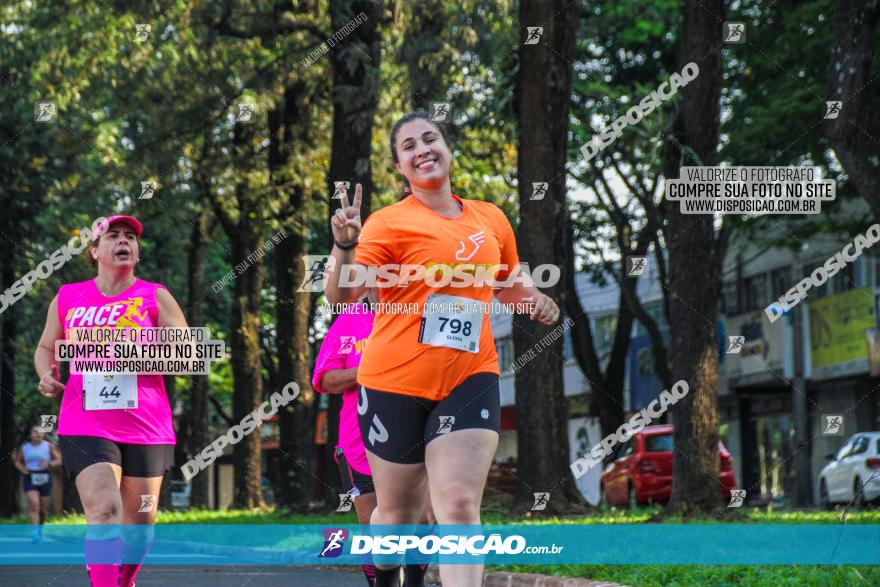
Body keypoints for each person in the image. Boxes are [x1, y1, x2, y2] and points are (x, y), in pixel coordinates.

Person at [324, 112, 560, 587]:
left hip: (470, 377)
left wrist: (536, 298)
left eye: (430, 139)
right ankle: (386, 575)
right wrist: (344, 245)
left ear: (448, 148)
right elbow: (342, 295)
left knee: (456, 503)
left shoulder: (491, 218)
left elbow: (507, 284)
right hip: (393, 383)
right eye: (409, 146)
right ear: (399, 166)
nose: (422, 149)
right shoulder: (387, 223)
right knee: (397, 515)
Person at [34, 215, 189, 587]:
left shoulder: (155, 295)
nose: (124, 241)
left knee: (141, 528)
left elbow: (186, 351)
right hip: (85, 421)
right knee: (104, 511)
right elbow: (45, 347)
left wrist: (132, 350)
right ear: (94, 251)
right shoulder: (69, 296)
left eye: (130, 237)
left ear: (136, 253)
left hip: (146, 425)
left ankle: (123, 579)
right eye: (114, 236)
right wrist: (46, 373)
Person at [312, 291, 433, 587]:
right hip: (361, 440)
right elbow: (325, 378)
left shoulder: (420, 309)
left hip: (419, 431)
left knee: (424, 518)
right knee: (373, 526)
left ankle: (414, 582)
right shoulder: (350, 319)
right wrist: (367, 369)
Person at [14, 425, 62, 543]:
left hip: (45, 476)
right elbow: (18, 462)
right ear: (31, 434)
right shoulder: (25, 447)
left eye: (40, 432)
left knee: (42, 509)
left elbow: (59, 460)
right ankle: (35, 532)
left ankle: (40, 529)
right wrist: (23, 469)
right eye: (35, 432)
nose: (38, 434)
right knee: (34, 505)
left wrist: (49, 464)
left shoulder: (49, 446)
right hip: (30, 476)